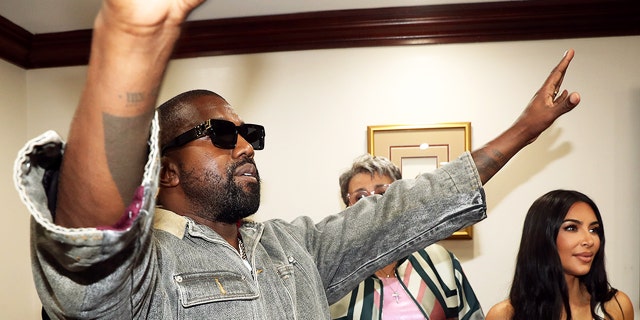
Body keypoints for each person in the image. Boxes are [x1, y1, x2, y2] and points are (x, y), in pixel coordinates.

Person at [13, 0, 581, 318]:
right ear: (164, 170)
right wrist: (129, 41)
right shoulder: (147, 270)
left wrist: (523, 131)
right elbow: (87, 246)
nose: (245, 146)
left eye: (250, 133)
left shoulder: (296, 249)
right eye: (220, 134)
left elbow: (409, 208)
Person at [330, 154, 483, 319]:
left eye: (382, 193)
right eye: (360, 197)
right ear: (347, 208)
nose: (371, 204)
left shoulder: (440, 260)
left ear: (400, 200)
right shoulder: (334, 280)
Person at [485, 190, 634, 320]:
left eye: (593, 229)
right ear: (542, 236)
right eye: (571, 228)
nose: (589, 240)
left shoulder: (616, 306)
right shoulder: (505, 315)